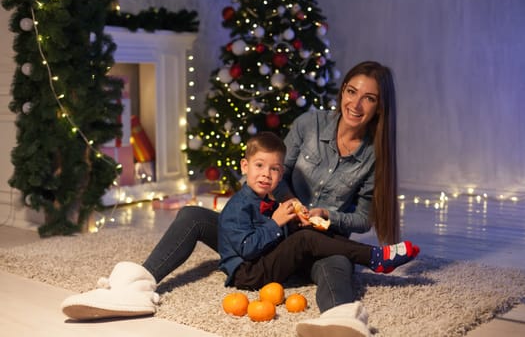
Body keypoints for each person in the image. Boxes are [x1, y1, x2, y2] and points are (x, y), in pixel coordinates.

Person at [61, 61, 404, 335]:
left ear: (379, 106)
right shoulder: (308, 125)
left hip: (317, 241)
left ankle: (340, 322)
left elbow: (362, 218)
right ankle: (134, 288)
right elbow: (276, 172)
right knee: (193, 216)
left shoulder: (377, 155)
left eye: (368, 98)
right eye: (351, 91)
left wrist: (327, 216)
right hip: (271, 227)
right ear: (342, 90)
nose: (355, 104)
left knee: (336, 265)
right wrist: (290, 206)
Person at [217, 132, 418, 334]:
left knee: (310, 233)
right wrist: (276, 223)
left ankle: (346, 302)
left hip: (263, 261)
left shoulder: (268, 199)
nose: (266, 174)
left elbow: (275, 238)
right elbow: (247, 249)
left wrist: (295, 222)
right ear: (245, 166)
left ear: (281, 174)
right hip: (248, 273)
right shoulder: (237, 207)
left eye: (275, 168)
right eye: (259, 165)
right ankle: (373, 256)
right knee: (304, 239)